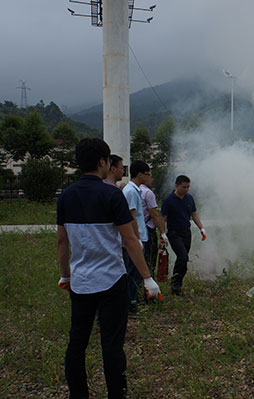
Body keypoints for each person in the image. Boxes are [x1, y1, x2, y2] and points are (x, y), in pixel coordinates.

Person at [56, 138, 160, 398]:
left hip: (80, 282)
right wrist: (147, 278)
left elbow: (61, 241)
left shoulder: (66, 196)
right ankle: (116, 394)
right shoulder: (111, 194)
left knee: (77, 343)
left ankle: (78, 394)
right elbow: (130, 240)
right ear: (103, 162)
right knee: (112, 345)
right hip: (112, 282)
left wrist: (65, 276)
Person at [161, 175, 206, 295]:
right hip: (174, 233)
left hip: (186, 232)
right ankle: (175, 285)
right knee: (183, 257)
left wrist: (201, 228)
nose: (186, 189)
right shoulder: (168, 200)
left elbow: (194, 214)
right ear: (176, 186)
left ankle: (177, 282)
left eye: (188, 187)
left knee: (184, 259)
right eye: (184, 187)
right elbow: (163, 218)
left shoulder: (189, 198)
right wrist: (162, 233)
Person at [122, 160, 152, 312]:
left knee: (136, 273)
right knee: (133, 272)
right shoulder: (131, 191)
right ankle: (131, 303)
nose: (149, 177)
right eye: (147, 174)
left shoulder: (135, 190)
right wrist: (137, 239)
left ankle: (134, 299)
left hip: (140, 236)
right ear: (140, 174)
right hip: (136, 238)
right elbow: (131, 216)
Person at [140, 171, 167, 276]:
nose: (152, 180)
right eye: (151, 177)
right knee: (150, 257)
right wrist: (162, 233)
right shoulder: (148, 193)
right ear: (144, 176)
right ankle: (149, 280)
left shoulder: (134, 189)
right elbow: (154, 215)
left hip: (138, 229)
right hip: (148, 230)